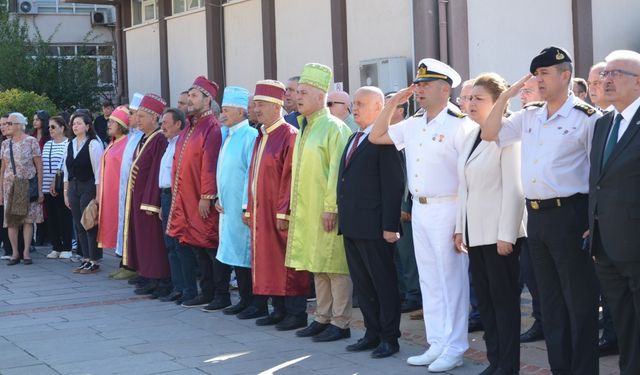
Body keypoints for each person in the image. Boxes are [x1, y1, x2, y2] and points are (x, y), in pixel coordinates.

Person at [481, 46, 600, 375]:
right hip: (538, 219)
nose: (538, 79)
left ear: (566, 76)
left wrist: (593, 220)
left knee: (579, 302)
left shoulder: (587, 119)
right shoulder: (530, 114)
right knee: (550, 303)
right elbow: (490, 132)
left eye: (545, 73)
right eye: (535, 74)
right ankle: (561, 368)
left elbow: (598, 174)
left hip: (572, 216)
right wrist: (505, 96)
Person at [369, 58, 476, 372]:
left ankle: (455, 347)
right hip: (421, 209)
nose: (418, 90)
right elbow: (377, 137)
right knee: (430, 281)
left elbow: (467, 177)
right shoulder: (415, 123)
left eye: (425, 85)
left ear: (446, 89)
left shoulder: (460, 124)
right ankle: (438, 343)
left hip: (449, 206)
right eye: (417, 85)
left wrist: (461, 223)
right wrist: (391, 104)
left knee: (451, 281)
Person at [454, 73, 526, 375]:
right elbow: (465, 186)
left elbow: (514, 187)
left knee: (504, 306)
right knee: (486, 304)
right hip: (476, 234)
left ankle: (508, 366)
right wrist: (460, 226)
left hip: (499, 236)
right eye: (469, 98)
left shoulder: (507, 135)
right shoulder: (472, 135)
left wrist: (506, 234)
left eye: (478, 99)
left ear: (498, 103)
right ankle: (495, 362)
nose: (470, 103)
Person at [285, 63, 353, 343]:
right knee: (317, 264)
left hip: (328, 210)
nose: (297, 97)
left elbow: (337, 172)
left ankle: (341, 322)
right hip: (307, 208)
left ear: (320, 95)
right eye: (297, 92)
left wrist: (331, 207)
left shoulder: (334, 128)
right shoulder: (305, 127)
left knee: (336, 267)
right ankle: (322, 317)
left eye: (303, 92)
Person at [337, 86, 404, 358]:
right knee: (363, 285)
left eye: (362, 103)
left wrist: (391, 225)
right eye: (354, 103)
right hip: (353, 225)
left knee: (383, 284)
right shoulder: (354, 137)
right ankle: (371, 333)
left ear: (379, 108)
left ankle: (390, 338)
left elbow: (393, 184)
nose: (355, 108)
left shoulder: (385, 140)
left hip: (375, 227)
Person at [589, 49, 640, 375]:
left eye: (615, 74)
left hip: (635, 244)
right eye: (604, 74)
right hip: (606, 244)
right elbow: (598, 181)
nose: (606, 80)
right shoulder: (604, 123)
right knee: (624, 324)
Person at [245, 80, 311, 331]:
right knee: (267, 260)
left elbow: (291, 177)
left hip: (280, 212)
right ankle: (278, 309)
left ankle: (296, 313)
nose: (256, 109)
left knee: (287, 261)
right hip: (263, 211)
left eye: (261, 104)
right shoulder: (261, 136)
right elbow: (253, 176)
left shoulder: (289, 135)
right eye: (255, 104)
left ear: (276, 106)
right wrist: (249, 208)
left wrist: (284, 210)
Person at [166, 76, 227, 310]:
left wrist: (207, 196)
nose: (189, 100)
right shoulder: (190, 127)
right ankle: (207, 292)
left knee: (210, 245)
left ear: (207, 100)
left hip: (201, 199)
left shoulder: (211, 128)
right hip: (186, 197)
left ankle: (221, 295)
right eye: (188, 96)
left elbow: (210, 164)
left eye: (194, 96)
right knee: (196, 246)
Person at [214, 86, 262, 318]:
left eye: (226, 110)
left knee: (245, 255)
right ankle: (244, 300)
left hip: (242, 208)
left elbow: (251, 175)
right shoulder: (228, 135)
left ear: (241, 111)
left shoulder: (250, 136)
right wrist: (217, 197)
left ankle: (255, 302)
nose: (221, 114)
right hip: (227, 206)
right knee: (234, 254)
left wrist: (246, 206)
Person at [122, 94, 171, 298]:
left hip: (149, 201)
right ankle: (149, 275)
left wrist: (151, 202)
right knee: (144, 240)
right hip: (138, 197)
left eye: (142, 116)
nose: (138, 120)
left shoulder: (159, 139)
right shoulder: (146, 138)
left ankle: (160, 280)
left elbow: (155, 173)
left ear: (154, 118)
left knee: (153, 242)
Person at [383, 92, 421, 315]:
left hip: (405, 207)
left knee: (407, 255)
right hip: (392, 206)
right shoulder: (392, 134)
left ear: (400, 111)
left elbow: (408, 173)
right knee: (397, 254)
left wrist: (405, 206)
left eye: (391, 105)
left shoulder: (407, 133)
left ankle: (413, 295)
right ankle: (404, 293)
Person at [515, 75, 545, 345]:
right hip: (526, 211)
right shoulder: (521, 121)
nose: (522, 96)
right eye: (521, 91)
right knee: (531, 273)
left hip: (551, 210)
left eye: (528, 91)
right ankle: (540, 319)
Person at [158, 108, 197, 304]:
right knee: (170, 245)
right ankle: (178, 287)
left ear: (178, 124)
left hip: (177, 196)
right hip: (165, 196)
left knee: (182, 245)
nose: (162, 126)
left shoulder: (181, 144)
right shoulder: (169, 144)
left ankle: (189, 290)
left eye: (166, 122)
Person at [63, 112, 104, 273]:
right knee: (79, 223)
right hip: (73, 186)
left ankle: (94, 260)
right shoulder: (70, 144)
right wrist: (66, 192)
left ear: (87, 126)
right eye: (73, 123)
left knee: (89, 223)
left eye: (79, 123)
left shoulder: (93, 144)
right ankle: (85, 258)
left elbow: (98, 171)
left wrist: (98, 194)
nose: (75, 126)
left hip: (88, 185)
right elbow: (66, 169)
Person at [2, 113, 44, 266]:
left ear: (19, 125)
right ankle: (15, 253)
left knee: (27, 220)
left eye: (10, 123)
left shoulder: (31, 141)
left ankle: (26, 251)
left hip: (27, 185)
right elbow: (3, 168)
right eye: (6, 123)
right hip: (10, 187)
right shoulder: (6, 144)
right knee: (12, 222)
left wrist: (40, 190)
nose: (7, 126)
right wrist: (0, 191)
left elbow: (39, 166)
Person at [113, 93, 144, 281]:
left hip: (135, 190)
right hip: (125, 188)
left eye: (133, 113)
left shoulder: (142, 137)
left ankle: (133, 264)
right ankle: (126, 261)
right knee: (125, 225)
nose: (130, 117)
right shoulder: (132, 136)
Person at [97, 105, 129, 265]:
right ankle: (122, 260)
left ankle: (126, 262)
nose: (108, 124)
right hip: (109, 193)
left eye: (113, 122)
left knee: (122, 225)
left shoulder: (126, 144)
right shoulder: (113, 142)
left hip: (120, 193)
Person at [43, 116, 73, 259]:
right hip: (46, 186)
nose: (50, 129)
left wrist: (55, 181)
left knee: (64, 217)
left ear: (62, 128)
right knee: (52, 218)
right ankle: (56, 246)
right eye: (49, 127)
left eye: (53, 127)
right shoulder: (48, 144)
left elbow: (65, 165)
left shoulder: (68, 143)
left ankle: (67, 247)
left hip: (62, 186)